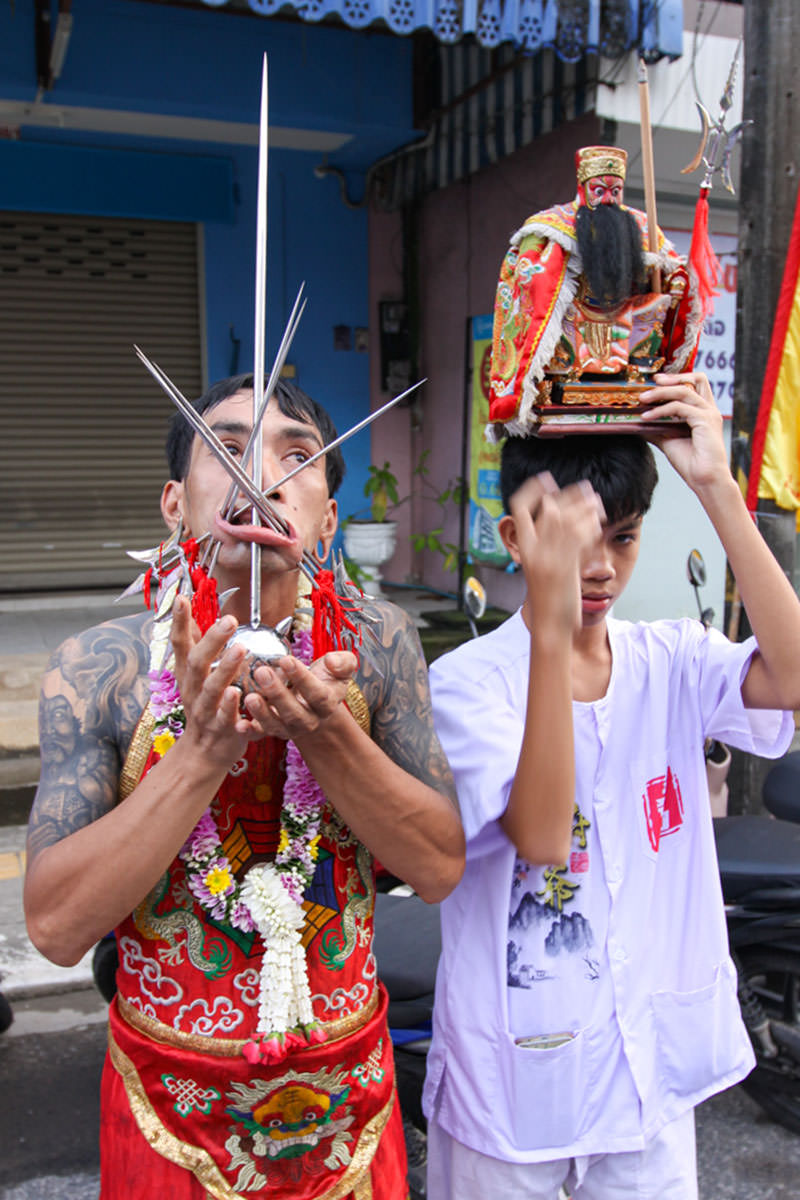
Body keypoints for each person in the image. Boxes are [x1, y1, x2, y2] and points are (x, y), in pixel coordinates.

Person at [24, 374, 465, 1199]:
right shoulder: (101, 670)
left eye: (297, 455)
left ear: (328, 516)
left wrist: (327, 733)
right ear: (173, 502)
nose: (259, 477)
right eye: (225, 449)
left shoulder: (381, 646)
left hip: (349, 1107)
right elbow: (54, 926)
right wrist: (197, 755)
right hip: (171, 1109)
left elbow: (438, 867)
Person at [423, 371, 800, 1199]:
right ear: (513, 538)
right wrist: (552, 632)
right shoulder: (465, 684)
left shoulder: (671, 658)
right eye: (573, 542)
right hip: (513, 1093)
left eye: (622, 539)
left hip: (644, 1079)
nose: (599, 568)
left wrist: (718, 488)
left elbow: (795, 677)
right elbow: (543, 835)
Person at [489, 146, 701, 434]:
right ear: (583, 186)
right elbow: (530, 273)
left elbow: (671, 266)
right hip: (575, 314)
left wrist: (674, 281)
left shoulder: (641, 226)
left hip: (626, 315)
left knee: (650, 314)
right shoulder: (554, 225)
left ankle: (635, 377)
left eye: (615, 192)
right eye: (599, 190)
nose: (607, 199)